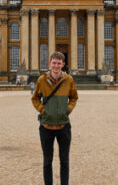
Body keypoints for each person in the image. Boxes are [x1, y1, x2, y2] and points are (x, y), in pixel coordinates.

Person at [31, 52, 78, 185]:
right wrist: (42, 110)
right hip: (46, 126)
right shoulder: (41, 80)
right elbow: (34, 98)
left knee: (64, 161)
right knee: (47, 161)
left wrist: (67, 110)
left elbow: (74, 97)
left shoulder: (69, 80)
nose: (56, 66)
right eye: (54, 63)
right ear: (50, 64)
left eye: (59, 63)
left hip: (63, 126)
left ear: (63, 65)